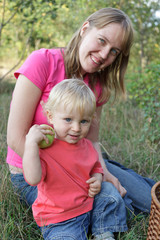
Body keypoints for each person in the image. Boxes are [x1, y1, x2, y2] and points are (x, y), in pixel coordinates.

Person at [7, 7, 155, 224]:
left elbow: (92, 140)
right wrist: (70, 174)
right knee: (116, 204)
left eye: (114, 51)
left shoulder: (97, 86)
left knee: (149, 199)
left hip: (80, 163)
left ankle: (124, 178)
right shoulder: (43, 62)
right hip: (36, 174)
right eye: (102, 41)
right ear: (85, 29)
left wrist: (104, 172)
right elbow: (15, 137)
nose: (105, 55)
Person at [23, 79, 127, 240]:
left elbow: (96, 168)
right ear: (50, 116)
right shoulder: (44, 149)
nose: (77, 128)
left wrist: (97, 180)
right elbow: (32, 178)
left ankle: (103, 230)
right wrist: (30, 144)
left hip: (88, 204)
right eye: (68, 120)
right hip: (60, 219)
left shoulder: (86, 145)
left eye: (83, 121)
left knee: (109, 193)